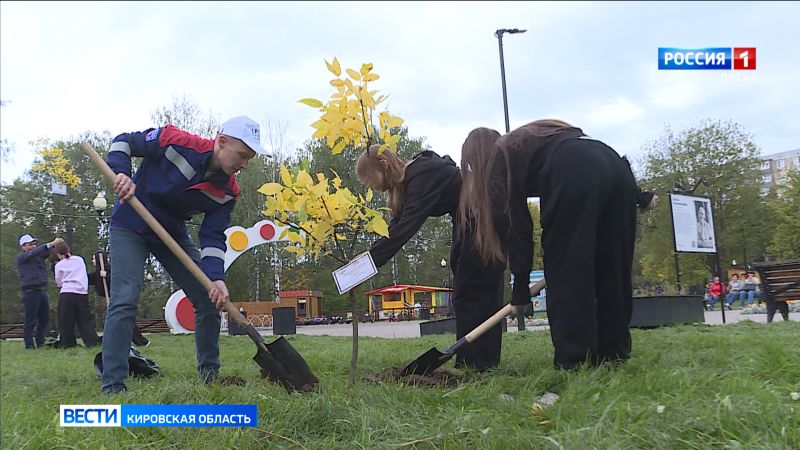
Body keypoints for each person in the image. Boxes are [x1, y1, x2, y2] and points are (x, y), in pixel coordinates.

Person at [460, 119, 647, 370]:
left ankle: (575, 361)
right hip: (613, 163)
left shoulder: (499, 157)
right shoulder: (536, 138)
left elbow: (517, 225)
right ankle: (614, 353)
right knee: (612, 265)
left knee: (566, 269)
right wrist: (639, 195)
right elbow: (592, 160)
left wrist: (520, 287)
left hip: (571, 169)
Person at [101, 116, 268, 394]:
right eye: (242, 155)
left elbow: (213, 236)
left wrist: (216, 278)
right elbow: (124, 142)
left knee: (209, 297)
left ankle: (210, 377)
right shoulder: (175, 141)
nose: (244, 164)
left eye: (249, 159)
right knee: (125, 298)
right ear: (221, 141)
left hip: (171, 235)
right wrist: (122, 173)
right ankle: (113, 385)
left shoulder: (228, 192)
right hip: (130, 224)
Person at [356, 140, 506, 372]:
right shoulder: (410, 183)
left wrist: (367, 265)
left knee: (472, 290)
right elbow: (394, 228)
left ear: (383, 164)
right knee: (465, 291)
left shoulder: (421, 175)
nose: (370, 186)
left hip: (484, 218)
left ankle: (479, 363)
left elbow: (406, 227)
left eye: (369, 179)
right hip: (467, 220)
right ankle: (474, 362)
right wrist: (363, 260)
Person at [88, 252, 149, 346]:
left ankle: (141, 341)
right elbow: (88, 279)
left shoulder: (111, 270)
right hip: (112, 299)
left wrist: (106, 276)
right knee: (115, 320)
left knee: (124, 318)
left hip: (119, 297)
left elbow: (118, 279)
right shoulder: (97, 274)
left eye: (93, 259)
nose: (92, 261)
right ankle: (112, 341)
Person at [15, 234, 63, 349]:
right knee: (30, 320)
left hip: (42, 291)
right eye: (30, 244)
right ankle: (29, 345)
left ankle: (40, 342)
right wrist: (50, 244)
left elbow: (45, 252)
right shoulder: (22, 257)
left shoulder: (38, 256)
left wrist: (55, 245)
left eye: (34, 244)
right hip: (30, 292)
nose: (33, 246)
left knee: (44, 319)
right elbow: (36, 252)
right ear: (23, 246)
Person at [53, 241, 99, 348]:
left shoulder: (59, 265)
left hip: (67, 293)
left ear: (58, 254)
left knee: (66, 320)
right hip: (81, 293)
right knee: (84, 319)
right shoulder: (79, 260)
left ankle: (68, 343)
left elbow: (58, 281)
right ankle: (91, 342)